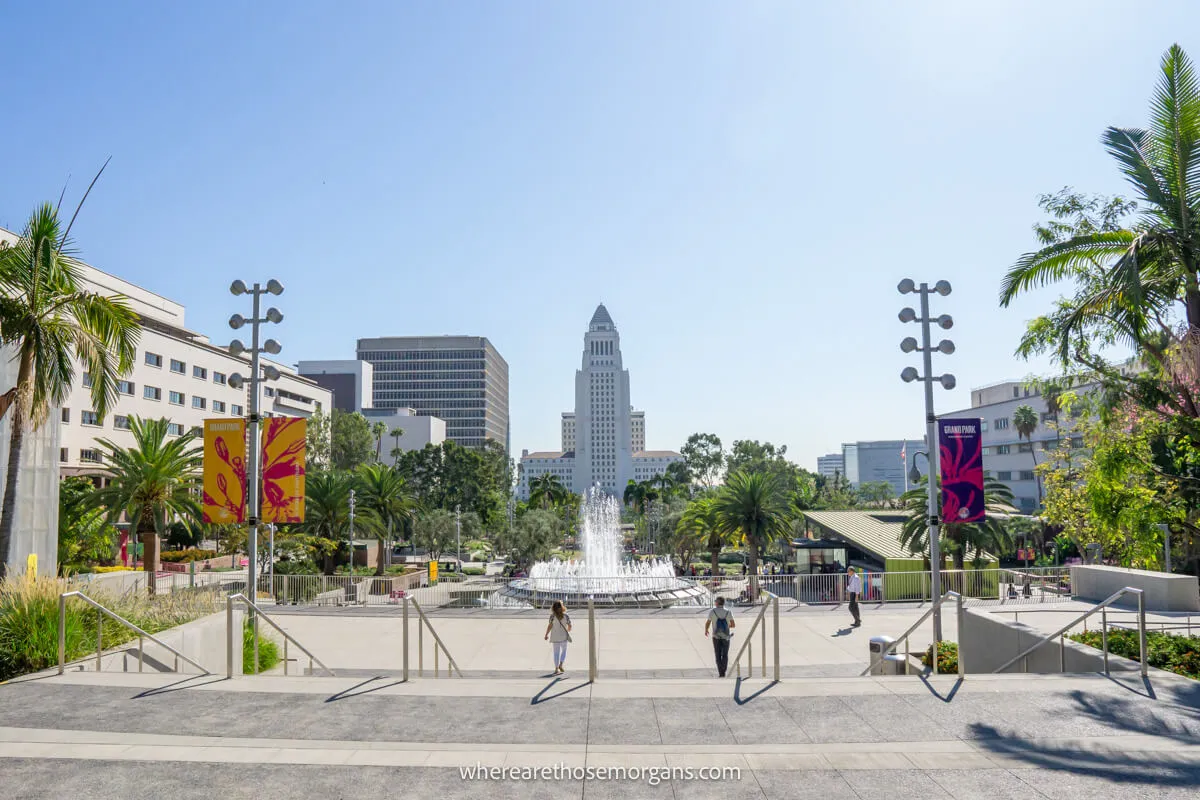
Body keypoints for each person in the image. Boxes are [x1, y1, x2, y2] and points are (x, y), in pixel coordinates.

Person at [705, 596, 736, 677]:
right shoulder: (728, 612)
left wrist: (706, 630)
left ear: (717, 603)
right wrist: (726, 626)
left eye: (715, 601)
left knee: (717, 654)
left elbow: (708, 622)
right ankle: (724, 670)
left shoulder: (712, 611)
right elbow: (733, 625)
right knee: (725, 654)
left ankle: (720, 673)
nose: (715, 602)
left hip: (716, 636)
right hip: (726, 637)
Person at [544, 600, 572, 674]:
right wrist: (568, 630)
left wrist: (546, 634)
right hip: (563, 637)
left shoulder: (552, 616)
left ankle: (556, 669)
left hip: (555, 637)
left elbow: (550, 626)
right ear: (562, 607)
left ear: (553, 608)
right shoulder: (566, 616)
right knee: (564, 651)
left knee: (556, 653)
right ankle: (561, 664)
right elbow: (569, 625)